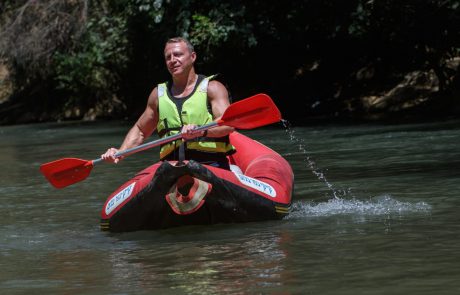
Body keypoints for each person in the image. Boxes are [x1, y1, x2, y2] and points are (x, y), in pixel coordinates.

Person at [101, 37, 235, 169]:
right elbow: (141, 130)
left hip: (211, 164)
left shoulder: (213, 88)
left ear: (193, 57)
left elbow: (228, 124)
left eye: (178, 55)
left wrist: (200, 131)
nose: (172, 60)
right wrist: (121, 152)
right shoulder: (158, 95)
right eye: (168, 57)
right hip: (172, 168)